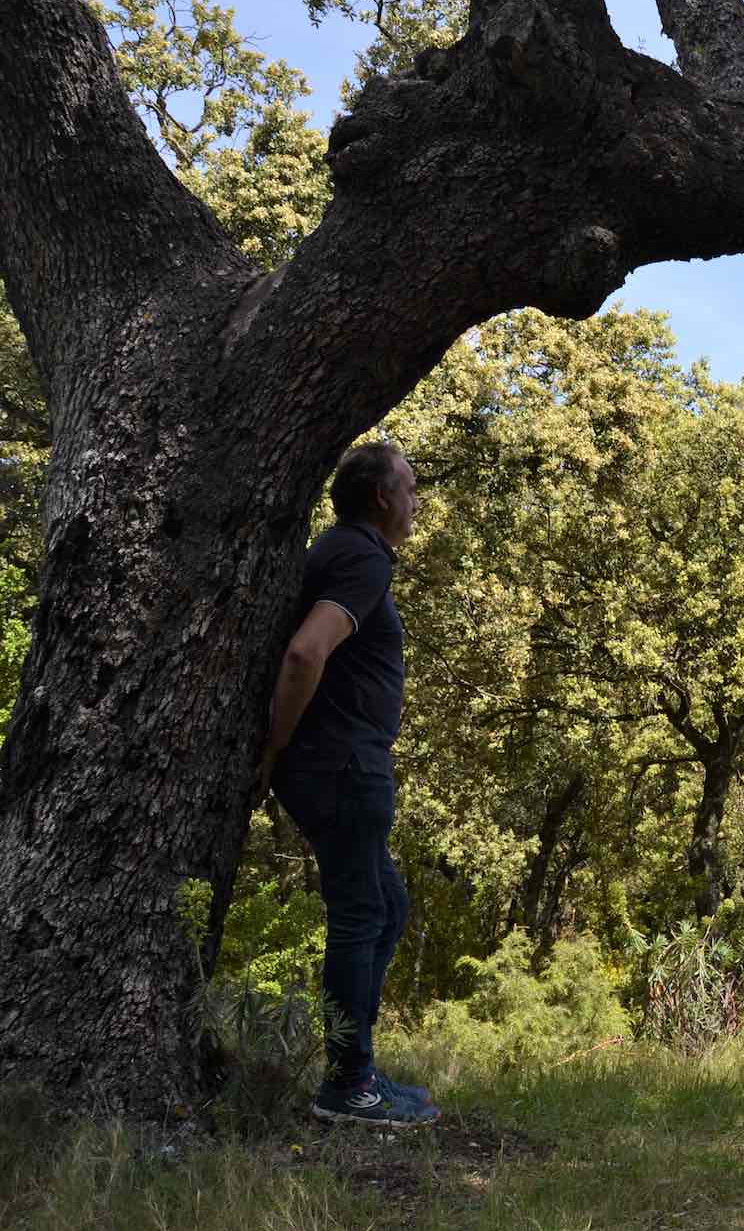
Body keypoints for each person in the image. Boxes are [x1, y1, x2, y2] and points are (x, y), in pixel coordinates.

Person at [260, 441, 439, 1127]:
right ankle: (349, 1082)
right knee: (363, 911)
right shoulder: (360, 557)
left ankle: (354, 1063)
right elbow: (307, 649)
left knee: (386, 905)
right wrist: (276, 743)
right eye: (411, 486)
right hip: (342, 763)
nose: (417, 499)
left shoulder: (344, 552)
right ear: (381, 497)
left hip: (341, 761)